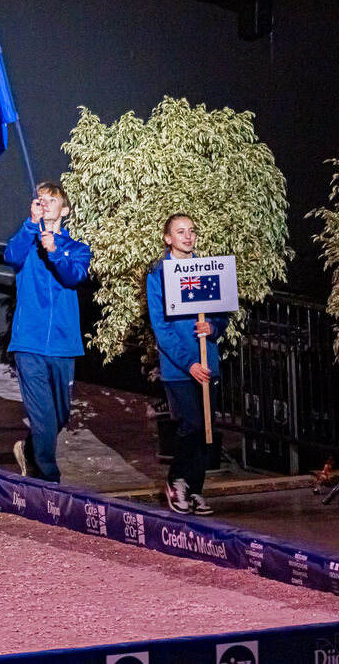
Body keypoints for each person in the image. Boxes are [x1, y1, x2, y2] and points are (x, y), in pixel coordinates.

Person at [3, 181, 92, 484]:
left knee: (59, 416)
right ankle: (48, 479)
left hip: (64, 344)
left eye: (52, 200)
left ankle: (29, 451)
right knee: (42, 415)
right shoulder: (27, 241)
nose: (45, 203)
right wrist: (30, 225)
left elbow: (74, 277)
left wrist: (54, 251)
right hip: (29, 341)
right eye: (40, 199)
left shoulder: (77, 249)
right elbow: (10, 256)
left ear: (64, 210)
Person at [147, 213, 227, 516]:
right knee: (191, 423)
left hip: (208, 363)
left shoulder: (207, 269)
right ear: (168, 238)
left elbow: (221, 315)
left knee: (206, 428)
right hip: (178, 368)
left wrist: (213, 327)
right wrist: (188, 363)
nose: (188, 236)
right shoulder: (158, 276)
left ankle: (195, 490)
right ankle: (176, 480)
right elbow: (162, 329)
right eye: (180, 231)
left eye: (191, 231)